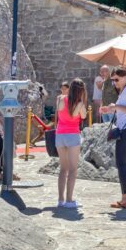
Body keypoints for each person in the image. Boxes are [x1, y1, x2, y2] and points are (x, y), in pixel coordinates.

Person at [99, 68, 126, 208]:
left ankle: (125, 199)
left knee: (121, 164)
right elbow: (124, 109)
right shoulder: (125, 90)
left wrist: (116, 106)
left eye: (116, 79)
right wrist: (111, 108)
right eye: (113, 80)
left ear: (124, 77)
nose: (114, 83)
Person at [54, 78, 86, 208]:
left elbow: (59, 112)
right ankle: (69, 200)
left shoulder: (60, 99)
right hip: (73, 136)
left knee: (63, 169)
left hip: (60, 135)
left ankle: (60, 200)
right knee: (73, 169)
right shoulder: (79, 103)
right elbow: (82, 116)